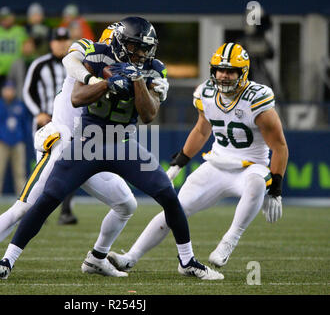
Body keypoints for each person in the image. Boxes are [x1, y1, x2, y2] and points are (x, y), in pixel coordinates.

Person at [0, 17, 223, 281]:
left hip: (123, 143)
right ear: (122, 43)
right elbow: (77, 98)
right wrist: (105, 83)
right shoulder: (97, 55)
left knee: (168, 195)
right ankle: (7, 261)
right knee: (48, 197)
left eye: (146, 48)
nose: (143, 53)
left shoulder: (152, 68)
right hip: (88, 141)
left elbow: (148, 115)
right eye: (137, 47)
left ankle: (187, 261)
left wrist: (137, 83)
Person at [0, 21, 157, 279]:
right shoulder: (90, 55)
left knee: (126, 204)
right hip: (63, 142)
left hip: (90, 151)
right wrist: (95, 79)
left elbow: (143, 106)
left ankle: (98, 258)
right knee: (25, 206)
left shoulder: (124, 71)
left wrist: (155, 88)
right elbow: (70, 63)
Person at [106, 43, 289, 272]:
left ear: (243, 73)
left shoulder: (256, 99)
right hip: (217, 164)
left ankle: (229, 241)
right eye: (220, 69)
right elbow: (202, 130)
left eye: (231, 70)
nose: (224, 75)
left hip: (251, 167)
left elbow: (279, 146)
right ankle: (131, 257)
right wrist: (179, 162)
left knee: (256, 183)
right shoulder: (207, 93)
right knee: (175, 208)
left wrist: (276, 189)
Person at [22, 26, 76, 224]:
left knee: (72, 164)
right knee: (43, 168)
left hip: (70, 123)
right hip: (46, 122)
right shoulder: (39, 64)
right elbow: (27, 92)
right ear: (51, 43)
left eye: (65, 39)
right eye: (58, 40)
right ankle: (36, 210)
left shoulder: (76, 63)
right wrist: (38, 113)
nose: (62, 43)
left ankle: (66, 211)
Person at [0, 80, 30, 198]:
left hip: (17, 142)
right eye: (7, 90)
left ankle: (22, 198)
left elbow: (25, 124)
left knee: (20, 172)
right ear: (3, 91)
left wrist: (22, 138)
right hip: (1, 143)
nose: (9, 92)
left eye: (11, 90)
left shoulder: (19, 105)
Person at [0, 7, 28, 98]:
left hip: (16, 72)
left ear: (12, 17)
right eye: (2, 18)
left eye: (7, 17)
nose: (5, 20)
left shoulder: (20, 31)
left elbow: (28, 49)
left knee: (19, 95)